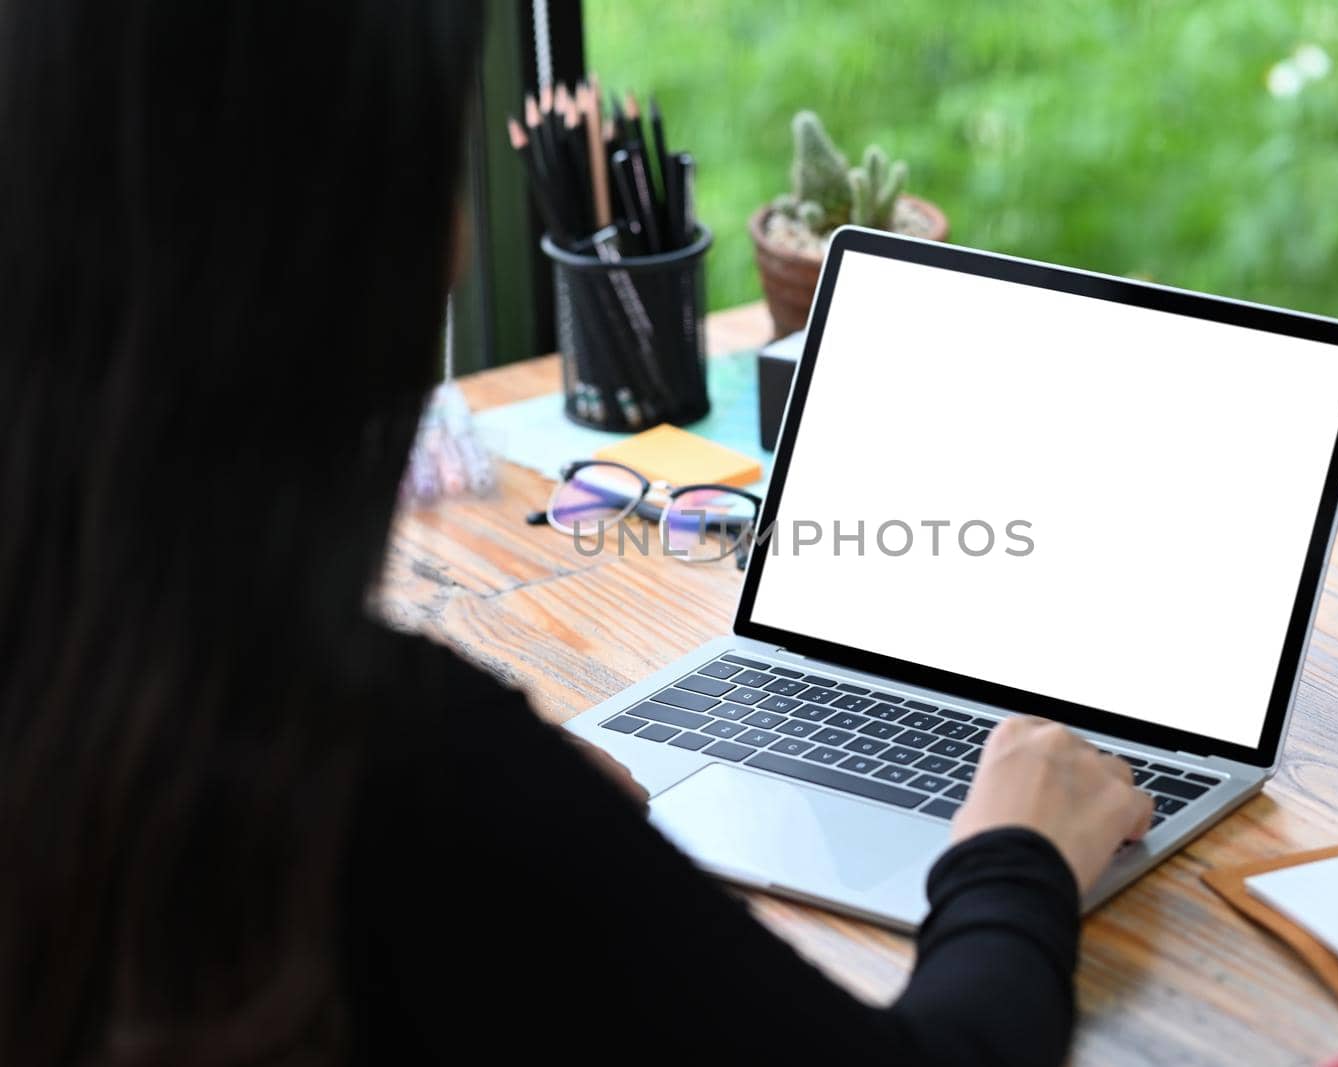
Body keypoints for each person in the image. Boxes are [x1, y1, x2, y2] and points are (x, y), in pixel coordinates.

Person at [0, 2, 1153, 1064]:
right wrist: (1018, 853)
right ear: (357, 252)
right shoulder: (381, 777)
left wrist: (542, 823)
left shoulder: (104, 682)